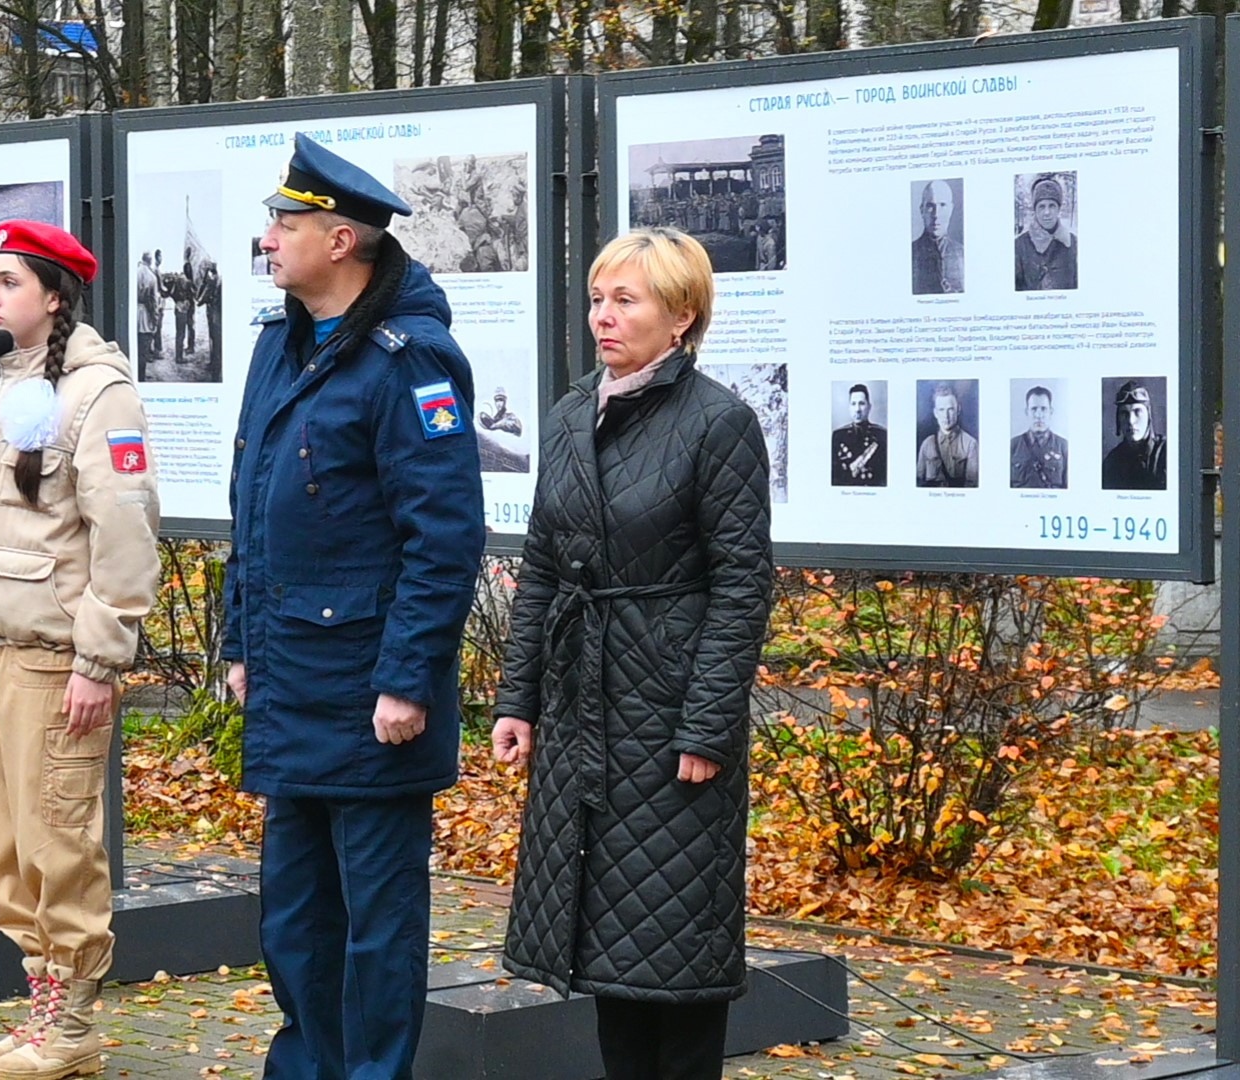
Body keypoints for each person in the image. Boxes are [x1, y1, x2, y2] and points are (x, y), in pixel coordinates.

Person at [224, 132, 485, 1079]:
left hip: (373, 692)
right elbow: (251, 500)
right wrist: (239, 637)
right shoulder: (280, 345)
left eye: (286, 222)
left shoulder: (408, 360)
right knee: (293, 918)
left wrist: (410, 679)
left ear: (340, 241)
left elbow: (445, 538)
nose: (270, 238)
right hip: (292, 678)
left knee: (376, 928)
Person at [492, 227, 773, 1080]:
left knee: (677, 953)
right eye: (597, 300)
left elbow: (742, 586)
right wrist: (519, 699)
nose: (602, 318)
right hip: (585, 707)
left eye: (626, 300)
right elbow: (542, 564)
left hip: (670, 708)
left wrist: (706, 727)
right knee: (607, 950)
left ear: (682, 316)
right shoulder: (573, 412)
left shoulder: (719, 421)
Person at [0, 220, 162, 1080]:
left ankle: (72, 1030)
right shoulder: (0, 384)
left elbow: (126, 532)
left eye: (6, 281)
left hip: (51, 661)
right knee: (6, 851)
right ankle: (38, 1017)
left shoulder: (98, 393)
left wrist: (100, 660)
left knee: (57, 841)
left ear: (54, 295)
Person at [1015, 175, 1077, 291]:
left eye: (1052, 206)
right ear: (1035, 210)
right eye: (1041, 206)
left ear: (1059, 209)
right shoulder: (1019, 246)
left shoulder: (1074, 244)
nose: (1047, 212)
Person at [1102, 380, 1167, 490]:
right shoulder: (1112, 461)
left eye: (1137, 412)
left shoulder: (1167, 453)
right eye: (1124, 413)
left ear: (1148, 416)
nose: (1131, 421)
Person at [915, 381, 978, 488]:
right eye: (941, 410)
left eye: (950, 410)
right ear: (935, 413)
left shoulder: (970, 444)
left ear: (958, 410)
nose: (946, 416)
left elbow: (972, 485)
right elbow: (919, 481)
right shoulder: (927, 444)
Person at [1010, 385, 1069, 489]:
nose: (1038, 415)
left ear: (1051, 412)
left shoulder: (1063, 447)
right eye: (1034, 409)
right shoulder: (1012, 446)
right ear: (1026, 412)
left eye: (1043, 409)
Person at [910, 180, 964, 295]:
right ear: (922, 210)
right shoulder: (910, 253)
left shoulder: (963, 253)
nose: (936, 215)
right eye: (930, 206)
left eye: (942, 205)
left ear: (951, 209)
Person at [830, 383, 887, 486]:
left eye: (861, 403)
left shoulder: (882, 436)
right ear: (849, 407)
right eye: (853, 404)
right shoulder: (838, 436)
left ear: (869, 407)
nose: (857, 409)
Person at [136, 251, 161, 369]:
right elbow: (154, 301)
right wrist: (155, 319)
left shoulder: (135, 272)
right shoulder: (151, 277)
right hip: (144, 315)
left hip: (135, 312)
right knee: (142, 351)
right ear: (150, 260)